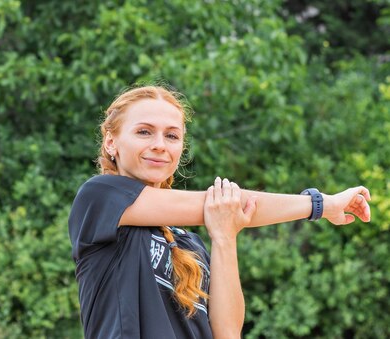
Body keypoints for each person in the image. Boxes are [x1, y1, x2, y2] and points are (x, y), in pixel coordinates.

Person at [67, 85, 372, 338]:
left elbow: (227, 333)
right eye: (144, 132)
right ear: (111, 142)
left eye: (172, 136)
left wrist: (225, 237)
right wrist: (322, 204)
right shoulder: (99, 198)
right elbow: (224, 204)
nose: (160, 145)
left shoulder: (189, 243)